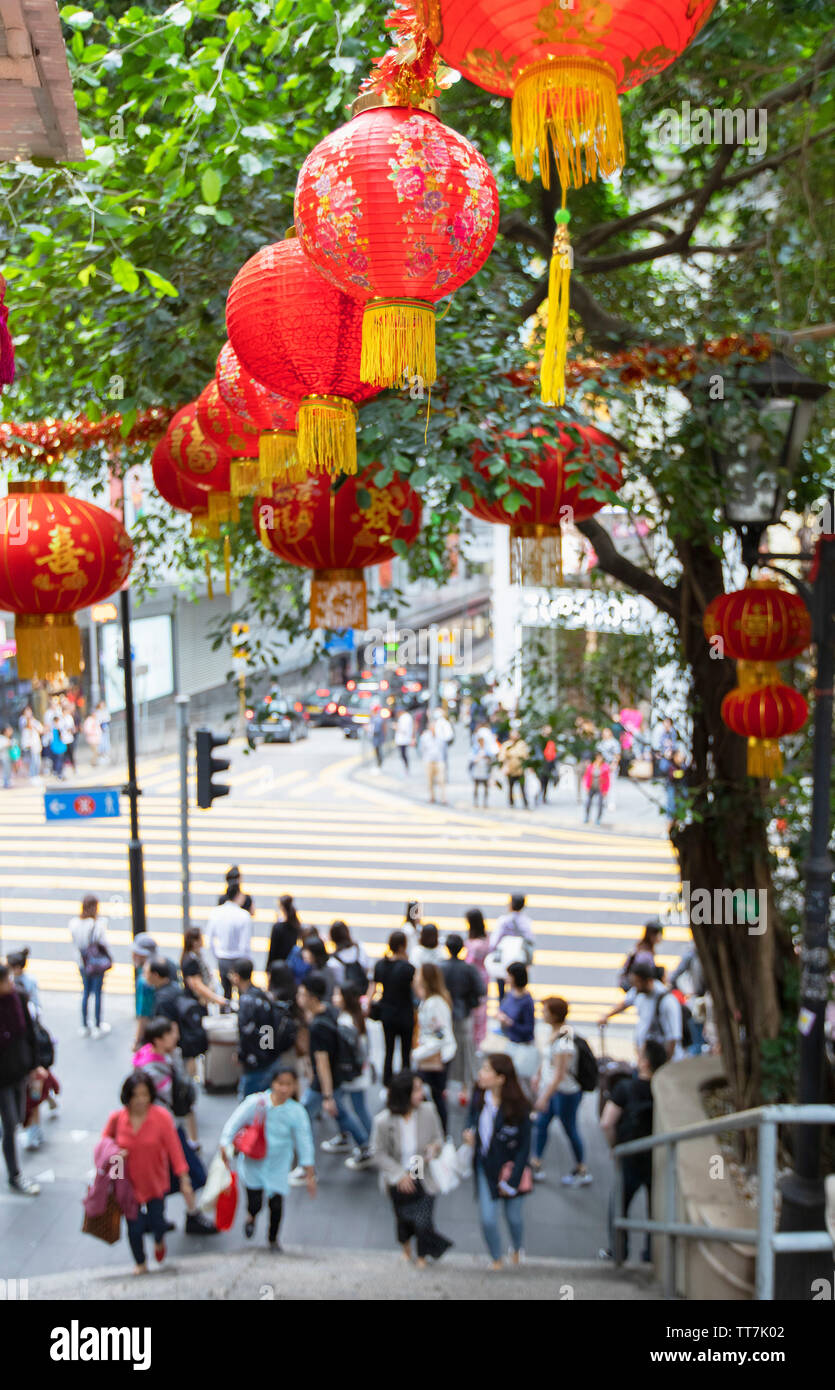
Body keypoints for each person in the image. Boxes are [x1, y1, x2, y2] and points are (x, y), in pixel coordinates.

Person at [101, 1072, 208, 1273]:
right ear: (128, 1096)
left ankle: (159, 1241)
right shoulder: (117, 1118)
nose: (141, 1100)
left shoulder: (161, 1117)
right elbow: (104, 1144)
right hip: (128, 1184)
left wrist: (184, 1179)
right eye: (136, 1095)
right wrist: (116, 1154)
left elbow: (175, 1149)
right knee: (134, 1227)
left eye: (145, 1094)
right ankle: (140, 1262)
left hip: (155, 1182)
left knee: (158, 1222)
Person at [220, 1066, 316, 1249]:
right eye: (280, 1083)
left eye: (289, 1084)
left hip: (279, 1165)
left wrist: (309, 1172)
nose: (284, 1089)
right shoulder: (256, 1103)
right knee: (255, 1200)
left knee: (277, 1204)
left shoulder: (297, 1112)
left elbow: (305, 1141)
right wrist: (225, 1144)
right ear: (273, 1083)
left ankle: (273, 1239)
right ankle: (251, 1215)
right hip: (253, 1163)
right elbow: (234, 1123)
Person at [371, 1070, 453, 1268]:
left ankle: (423, 1256)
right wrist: (399, 1175)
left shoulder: (428, 1111)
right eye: (416, 1089)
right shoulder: (384, 1121)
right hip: (398, 1174)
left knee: (424, 1219)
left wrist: (434, 1148)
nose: (421, 1093)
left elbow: (438, 1138)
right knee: (403, 1218)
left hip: (421, 1170)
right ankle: (407, 1249)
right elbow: (378, 1152)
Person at [600, 1039, 668, 1263]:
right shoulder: (664, 1091)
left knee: (618, 1206)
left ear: (645, 1062)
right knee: (655, 1209)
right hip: (657, 1156)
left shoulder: (625, 1088)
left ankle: (619, 1252)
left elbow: (607, 1123)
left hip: (629, 1155)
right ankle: (652, 1255)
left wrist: (615, 1148)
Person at [296, 974, 373, 1169]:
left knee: (304, 1116)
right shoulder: (330, 1013)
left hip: (323, 1083)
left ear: (312, 997)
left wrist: (327, 1095)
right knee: (342, 1113)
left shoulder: (318, 1027)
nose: (299, 997)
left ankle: (305, 1165)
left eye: (302, 994)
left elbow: (322, 1063)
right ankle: (364, 1145)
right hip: (336, 1077)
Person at [463, 1054, 532, 1270]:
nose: (480, 1074)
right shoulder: (479, 1095)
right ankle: (496, 1258)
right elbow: (471, 1119)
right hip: (486, 1166)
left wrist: (512, 1180)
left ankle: (517, 1248)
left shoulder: (519, 1107)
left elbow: (524, 1148)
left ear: (501, 1078)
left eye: (486, 1070)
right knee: (488, 1219)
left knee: (514, 1218)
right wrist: (469, 1134)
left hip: (511, 1170)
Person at [531, 997, 592, 1187]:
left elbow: (559, 1074)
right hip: (554, 1090)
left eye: (545, 1011)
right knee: (542, 1125)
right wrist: (539, 1074)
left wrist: (544, 1097)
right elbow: (549, 1061)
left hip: (565, 1093)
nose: (542, 1014)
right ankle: (536, 1163)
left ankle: (581, 1168)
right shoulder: (557, 1033)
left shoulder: (564, 1040)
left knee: (569, 1128)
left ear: (554, 1015)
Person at [0, 963, 43, 1195]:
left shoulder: (19, 997)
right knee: (10, 1124)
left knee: (16, 1118)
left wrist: (35, 1064)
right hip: (3, 1077)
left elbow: (29, 1032)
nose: (10, 983)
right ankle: (14, 1174)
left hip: (20, 1070)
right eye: (6, 980)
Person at [600, 958, 684, 1061]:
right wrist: (607, 1016)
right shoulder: (638, 992)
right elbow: (625, 1003)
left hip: (662, 1060)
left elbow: (673, 1038)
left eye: (636, 982)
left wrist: (665, 1065)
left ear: (648, 981)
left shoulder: (667, 1002)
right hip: (646, 1058)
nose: (634, 986)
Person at [229, 957, 287, 1098]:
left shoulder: (246, 1001)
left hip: (256, 1062)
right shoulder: (262, 995)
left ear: (236, 976)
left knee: (247, 1105)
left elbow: (246, 1033)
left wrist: (241, 1055)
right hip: (270, 1057)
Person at [411, 963, 456, 1135]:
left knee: (435, 1098)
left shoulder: (435, 1004)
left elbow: (440, 1037)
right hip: (432, 1056)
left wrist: (418, 1053)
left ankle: (440, 1134)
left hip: (435, 1058)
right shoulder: (429, 1001)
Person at [441, 934, 485, 1103]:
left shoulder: (440, 967)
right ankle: (465, 1089)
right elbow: (481, 990)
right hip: (463, 1014)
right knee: (466, 1052)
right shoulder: (468, 969)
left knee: (445, 1051)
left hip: (445, 1014)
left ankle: (444, 1086)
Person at [372, 930, 416, 1085]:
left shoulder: (381, 965)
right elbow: (416, 990)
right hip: (405, 1014)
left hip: (387, 1013)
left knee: (388, 1051)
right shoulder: (408, 968)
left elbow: (373, 988)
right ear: (403, 946)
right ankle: (406, 1082)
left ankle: (387, 1082)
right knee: (406, 1052)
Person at [333, 983, 373, 1142]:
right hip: (359, 1071)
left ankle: (367, 1142)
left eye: (338, 995)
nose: (334, 998)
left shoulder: (345, 1021)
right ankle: (353, 1137)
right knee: (357, 1107)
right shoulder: (357, 1016)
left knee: (344, 1106)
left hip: (350, 1073)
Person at [69, 894, 112, 1039]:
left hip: (82, 963)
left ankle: (84, 1025)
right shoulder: (97, 925)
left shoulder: (74, 923)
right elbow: (103, 943)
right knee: (98, 993)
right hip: (96, 964)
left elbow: (75, 942)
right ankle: (97, 1025)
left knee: (86, 992)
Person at [206, 886, 253, 1000]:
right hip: (239, 959)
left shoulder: (216, 912)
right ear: (237, 895)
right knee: (243, 994)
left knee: (226, 994)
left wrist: (217, 955)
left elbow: (209, 939)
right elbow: (245, 943)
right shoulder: (244, 915)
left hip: (223, 958)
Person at [490, 893, 535, 1002]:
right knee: (516, 986)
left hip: (504, 956)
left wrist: (492, 952)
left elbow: (495, 940)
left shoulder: (504, 920)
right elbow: (529, 942)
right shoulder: (526, 922)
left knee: (501, 984)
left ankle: (502, 1004)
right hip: (518, 958)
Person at [670, 947, 707, 1054]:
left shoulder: (694, 955)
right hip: (696, 1002)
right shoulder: (692, 955)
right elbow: (674, 977)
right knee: (697, 1040)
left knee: (699, 1040)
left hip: (703, 1000)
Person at [464, 909, 491, 1050]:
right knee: (481, 1010)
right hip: (483, 975)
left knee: (476, 1010)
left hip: (475, 978)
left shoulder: (476, 945)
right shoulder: (485, 937)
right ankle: (479, 1039)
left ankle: (476, 1040)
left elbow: (469, 962)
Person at [617, 919, 665, 991]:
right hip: (637, 988)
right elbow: (643, 973)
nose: (661, 937)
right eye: (659, 934)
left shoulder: (642, 947)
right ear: (652, 936)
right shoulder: (645, 955)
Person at [327, 920, 370, 993]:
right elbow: (367, 969)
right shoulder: (360, 948)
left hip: (346, 996)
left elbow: (337, 982)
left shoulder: (332, 962)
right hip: (363, 990)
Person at [131, 933, 159, 1048]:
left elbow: (143, 1013)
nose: (132, 955)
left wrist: (137, 1041)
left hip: (151, 1031)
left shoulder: (145, 979)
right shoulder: (160, 967)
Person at [266, 894, 304, 970]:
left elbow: (273, 950)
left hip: (277, 965)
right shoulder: (296, 924)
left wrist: (268, 968)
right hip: (290, 965)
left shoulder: (278, 927)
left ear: (282, 908)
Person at [498, 727, 530, 808]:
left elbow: (525, 755)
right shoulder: (506, 744)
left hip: (520, 770)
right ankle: (511, 802)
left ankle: (525, 802)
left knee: (522, 787)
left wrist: (513, 754)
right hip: (510, 770)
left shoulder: (521, 744)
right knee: (510, 787)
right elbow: (501, 756)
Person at [418, 717, 447, 804]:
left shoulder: (441, 736)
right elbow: (421, 749)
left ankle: (443, 798)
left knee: (441, 780)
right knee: (430, 781)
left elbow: (444, 749)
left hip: (439, 760)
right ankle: (432, 797)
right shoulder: (425, 737)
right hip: (428, 760)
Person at [530, 725, 559, 804]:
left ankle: (544, 797)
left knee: (546, 781)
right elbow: (536, 752)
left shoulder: (551, 740)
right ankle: (537, 796)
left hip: (550, 763)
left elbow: (554, 752)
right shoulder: (539, 740)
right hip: (541, 764)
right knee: (540, 781)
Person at [469, 727, 493, 807]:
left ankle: (485, 802)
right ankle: (476, 802)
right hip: (477, 770)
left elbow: (491, 759)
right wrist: (478, 757)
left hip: (484, 770)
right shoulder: (475, 749)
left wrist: (486, 757)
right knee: (476, 786)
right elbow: (471, 759)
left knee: (486, 787)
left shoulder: (487, 749)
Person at [583, 752, 610, 824]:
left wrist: (606, 790)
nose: (599, 759)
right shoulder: (591, 766)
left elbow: (607, 780)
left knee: (600, 804)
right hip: (592, 787)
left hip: (600, 788)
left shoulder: (605, 767)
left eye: (600, 757)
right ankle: (587, 816)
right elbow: (587, 777)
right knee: (588, 802)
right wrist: (587, 786)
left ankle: (598, 818)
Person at [19, 710, 43, 779]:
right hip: (30, 748)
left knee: (37, 761)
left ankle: (35, 774)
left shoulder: (35, 728)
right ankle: (32, 775)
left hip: (36, 747)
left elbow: (41, 730)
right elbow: (25, 741)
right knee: (32, 761)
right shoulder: (25, 730)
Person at [432, 706, 454, 772]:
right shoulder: (436, 722)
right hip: (436, 743)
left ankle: (443, 775)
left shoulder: (444, 722)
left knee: (443, 760)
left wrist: (442, 740)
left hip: (442, 743)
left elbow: (449, 734)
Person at [394, 706, 414, 771]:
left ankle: (406, 767)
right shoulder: (405, 717)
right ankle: (406, 767)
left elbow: (404, 730)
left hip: (404, 739)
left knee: (403, 754)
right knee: (403, 754)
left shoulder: (406, 718)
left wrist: (396, 727)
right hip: (402, 739)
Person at [369, 704, 386, 770]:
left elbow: (376, 730)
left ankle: (379, 765)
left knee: (378, 752)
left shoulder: (378, 719)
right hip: (376, 739)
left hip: (378, 739)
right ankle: (379, 764)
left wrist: (369, 729)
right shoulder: (374, 718)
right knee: (377, 752)